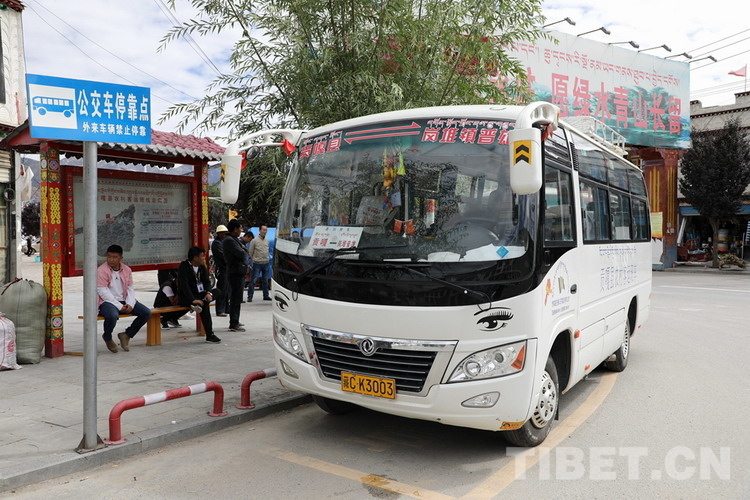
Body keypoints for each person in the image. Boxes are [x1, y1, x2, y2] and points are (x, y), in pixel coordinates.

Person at [97, 244, 151, 353]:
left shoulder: (127, 269)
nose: (111, 260)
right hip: (107, 302)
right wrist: (119, 306)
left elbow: (130, 288)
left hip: (124, 299)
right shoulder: (101, 270)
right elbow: (102, 291)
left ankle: (127, 335)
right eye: (109, 256)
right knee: (112, 315)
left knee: (146, 313)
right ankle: (107, 337)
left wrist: (130, 304)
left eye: (115, 257)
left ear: (121, 258)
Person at [177, 246, 221, 343]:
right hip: (188, 296)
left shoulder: (202, 267)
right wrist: (193, 299)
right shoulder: (184, 267)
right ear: (195, 257)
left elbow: (207, 282)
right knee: (205, 307)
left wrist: (208, 292)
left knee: (217, 291)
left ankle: (200, 304)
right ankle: (210, 335)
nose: (204, 258)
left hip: (201, 295)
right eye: (202, 256)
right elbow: (184, 287)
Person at [222, 219, 248, 332]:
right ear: (235, 229)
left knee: (238, 298)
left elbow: (244, 250)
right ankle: (233, 323)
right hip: (234, 272)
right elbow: (242, 253)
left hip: (239, 271)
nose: (241, 230)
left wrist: (243, 249)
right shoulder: (229, 240)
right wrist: (243, 250)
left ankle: (236, 319)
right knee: (235, 298)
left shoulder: (234, 239)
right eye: (240, 228)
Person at [247, 225, 272, 302]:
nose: (265, 231)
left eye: (266, 230)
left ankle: (266, 295)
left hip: (266, 263)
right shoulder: (254, 241)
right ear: (259, 230)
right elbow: (250, 252)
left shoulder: (267, 240)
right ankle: (250, 296)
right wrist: (253, 260)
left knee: (265, 280)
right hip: (257, 263)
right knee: (253, 280)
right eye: (263, 230)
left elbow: (268, 251)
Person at [211, 224, 230, 317]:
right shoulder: (217, 243)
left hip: (226, 268)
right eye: (222, 233)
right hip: (222, 268)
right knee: (222, 289)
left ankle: (226, 308)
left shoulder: (223, 242)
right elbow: (223, 255)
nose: (224, 235)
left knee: (227, 290)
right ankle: (220, 310)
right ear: (219, 233)